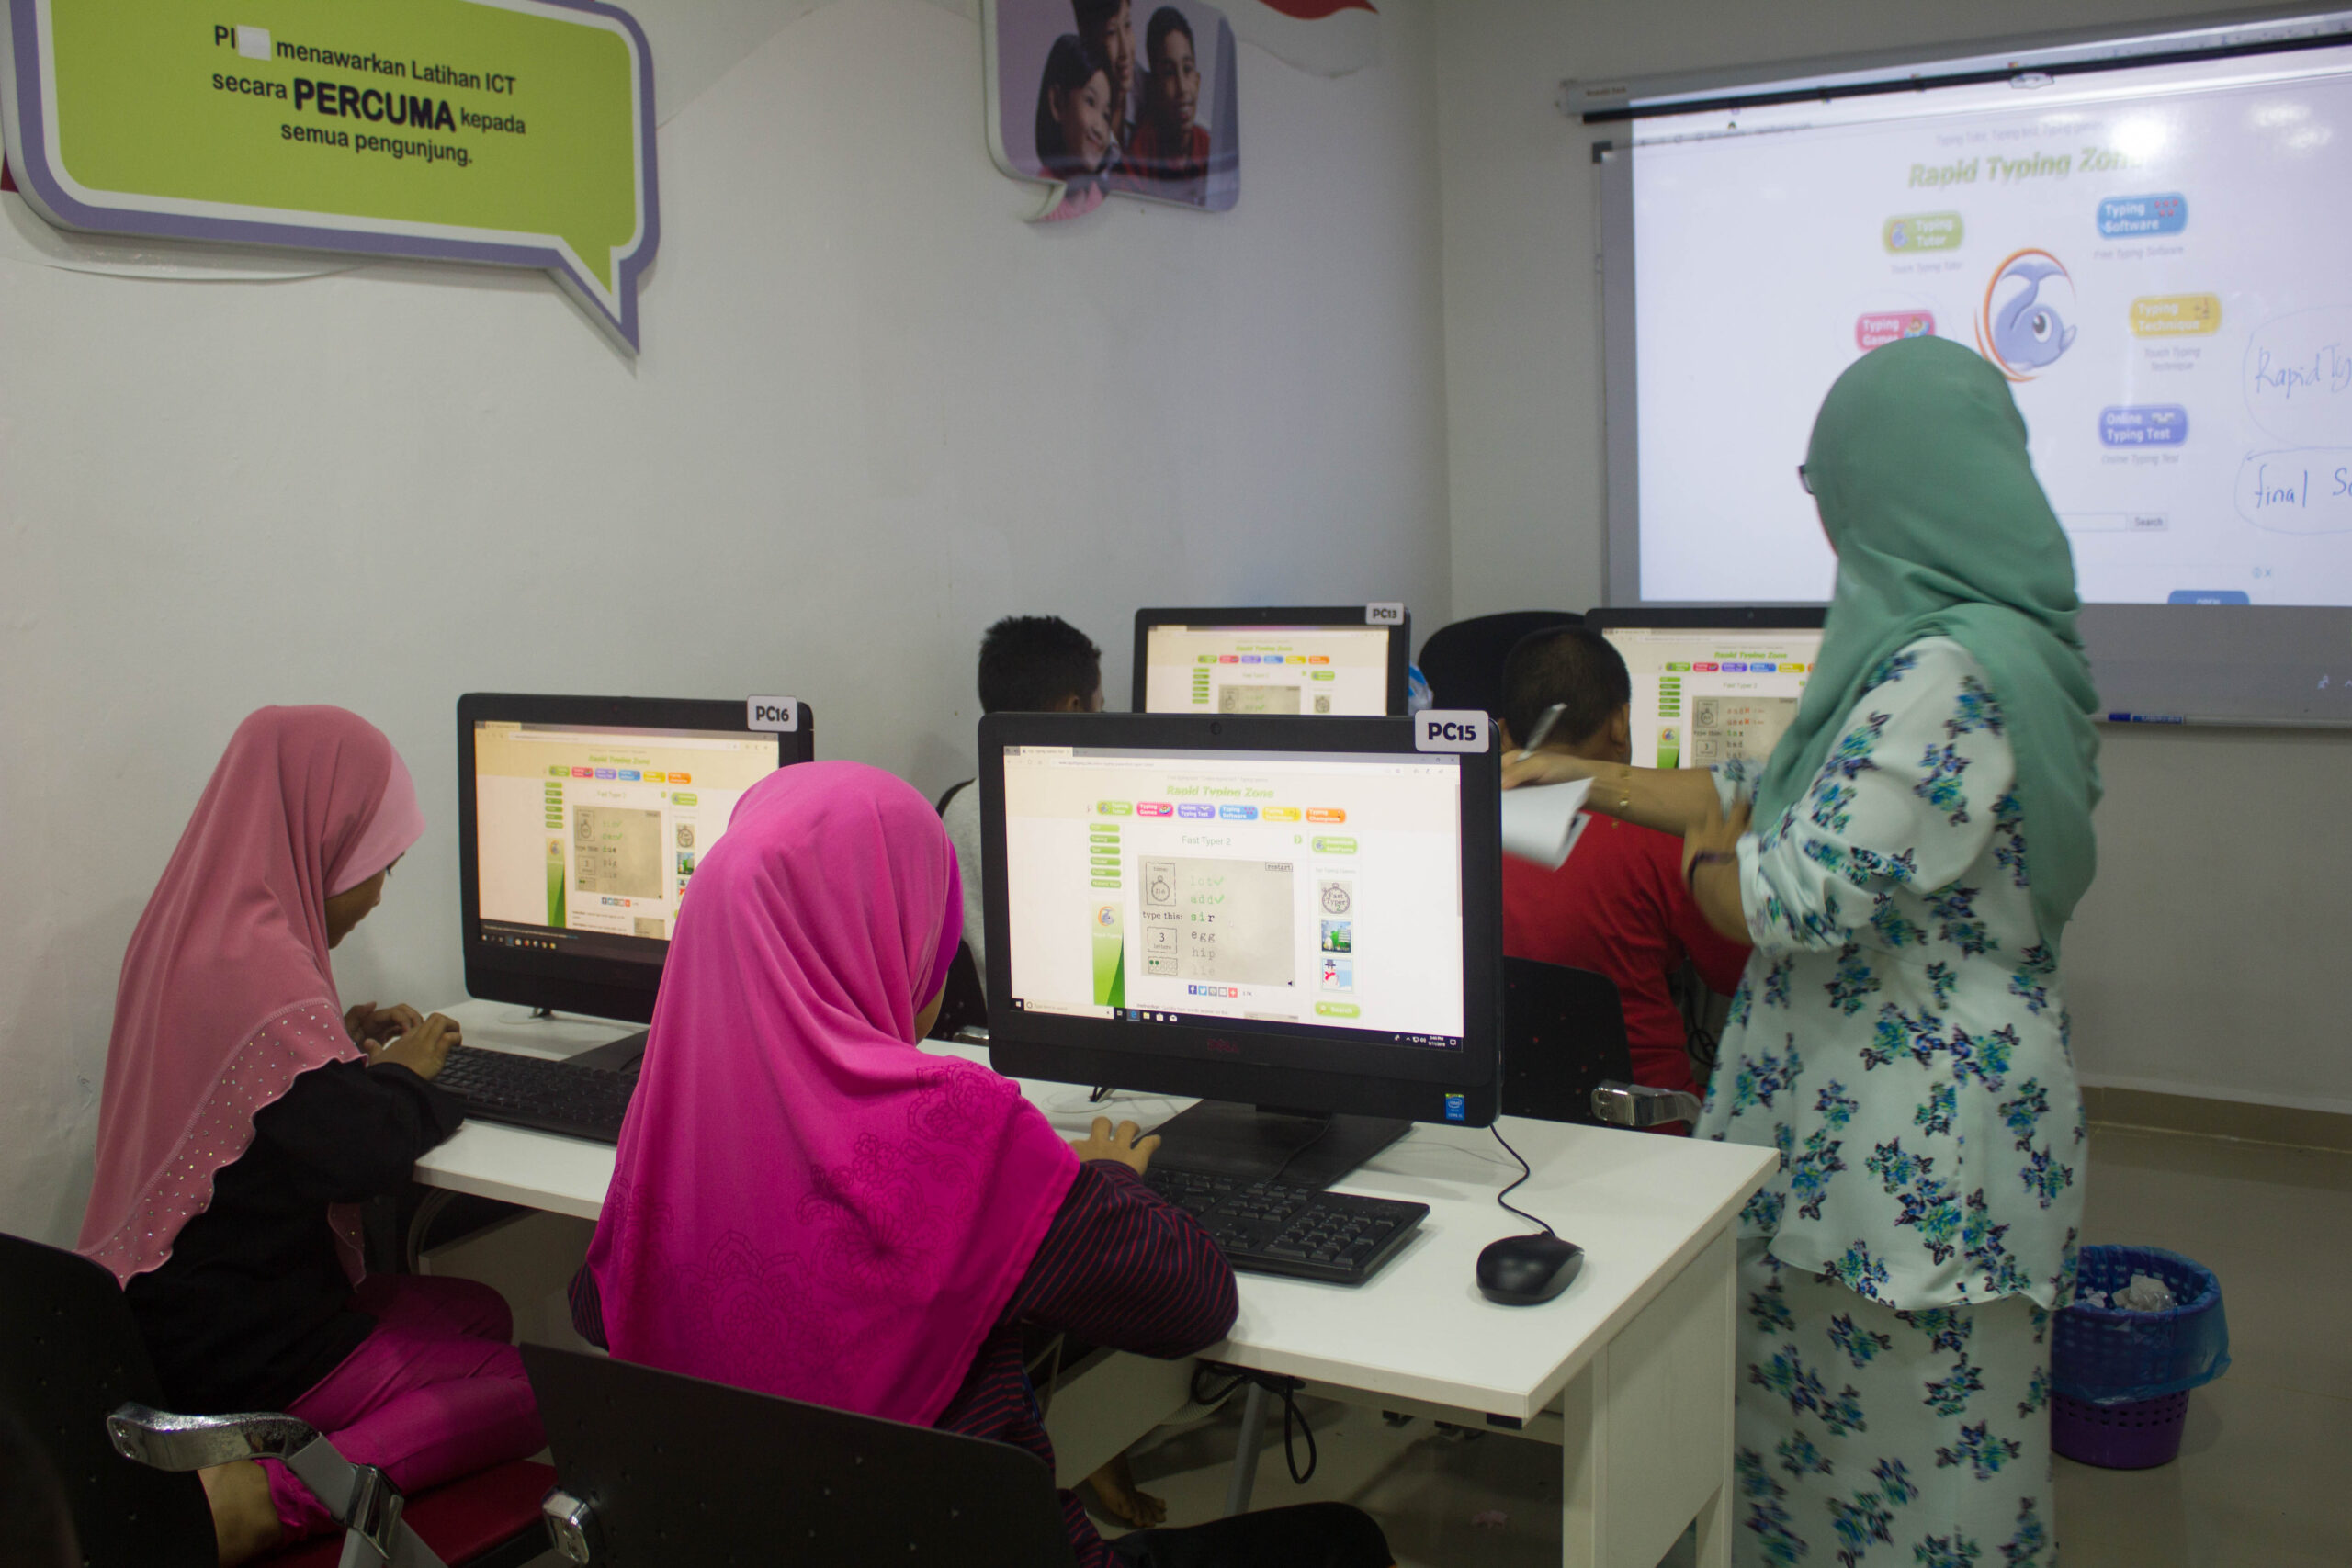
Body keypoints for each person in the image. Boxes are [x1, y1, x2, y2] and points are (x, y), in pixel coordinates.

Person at [1505, 336, 2098, 1566]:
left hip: (1907, 1148)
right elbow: (1760, 790)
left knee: (1913, 1468)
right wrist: (1585, 777)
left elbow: (1779, 892)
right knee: (1842, 1453)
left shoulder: (1944, 671)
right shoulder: (1964, 641)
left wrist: (1709, 850)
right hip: (1885, 1120)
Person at [571, 761, 1392, 1568]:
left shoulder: (671, 1113)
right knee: (1347, 1540)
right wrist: (1107, 1177)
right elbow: (1193, 1301)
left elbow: (600, 1306)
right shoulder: (954, 1124)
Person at [78, 706, 543, 1563]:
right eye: (377, 867)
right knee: (535, 1391)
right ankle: (264, 1499)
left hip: (172, 1314)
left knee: (481, 1313)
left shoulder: (193, 927)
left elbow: (271, 1103)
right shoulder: (259, 972)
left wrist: (343, 1045)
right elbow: (358, 1154)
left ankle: (316, 1459)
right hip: (245, 1346)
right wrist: (411, 1072)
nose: (377, 894)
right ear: (320, 838)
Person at [1498, 625, 1750, 1125]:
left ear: (1503, 732)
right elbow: (1735, 977)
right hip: (1638, 1120)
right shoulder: (1660, 838)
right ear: (1621, 724)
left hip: (1495, 1118)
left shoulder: (1455, 825)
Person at [941, 615, 1105, 1004]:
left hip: (982, 1024)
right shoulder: (1078, 818)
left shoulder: (958, 807)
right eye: (1100, 707)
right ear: (1075, 707)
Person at [1119, 7, 1210, 201]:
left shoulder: (1209, 148)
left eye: (1187, 69)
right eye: (1169, 73)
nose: (1182, 88)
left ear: (1197, 80)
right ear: (1154, 86)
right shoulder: (1138, 158)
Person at [1035, 34, 1119, 222]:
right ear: (1057, 103)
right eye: (1090, 101)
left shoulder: (1101, 199)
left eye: (1106, 116)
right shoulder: (1039, 201)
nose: (1100, 129)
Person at [1072, 0, 1138, 148]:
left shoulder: (1155, 93)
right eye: (1111, 32)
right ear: (1086, 36)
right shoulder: (1076, 108)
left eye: (1127, 25)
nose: (1125, 51)